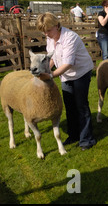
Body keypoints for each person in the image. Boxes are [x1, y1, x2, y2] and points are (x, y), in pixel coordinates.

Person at [36, 12, 96, 150]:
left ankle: (87, 139)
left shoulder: (70, 37)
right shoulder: (50, 38)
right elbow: (52, 58)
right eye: (44, 31)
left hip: (80, 72)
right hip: (65, 75)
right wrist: (46, 69)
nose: (46, 34)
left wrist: (50, 76)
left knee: (81, 105)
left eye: (48, 30)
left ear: (57, 25)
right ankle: (74, 135)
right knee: (69, 106)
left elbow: (68, 63)